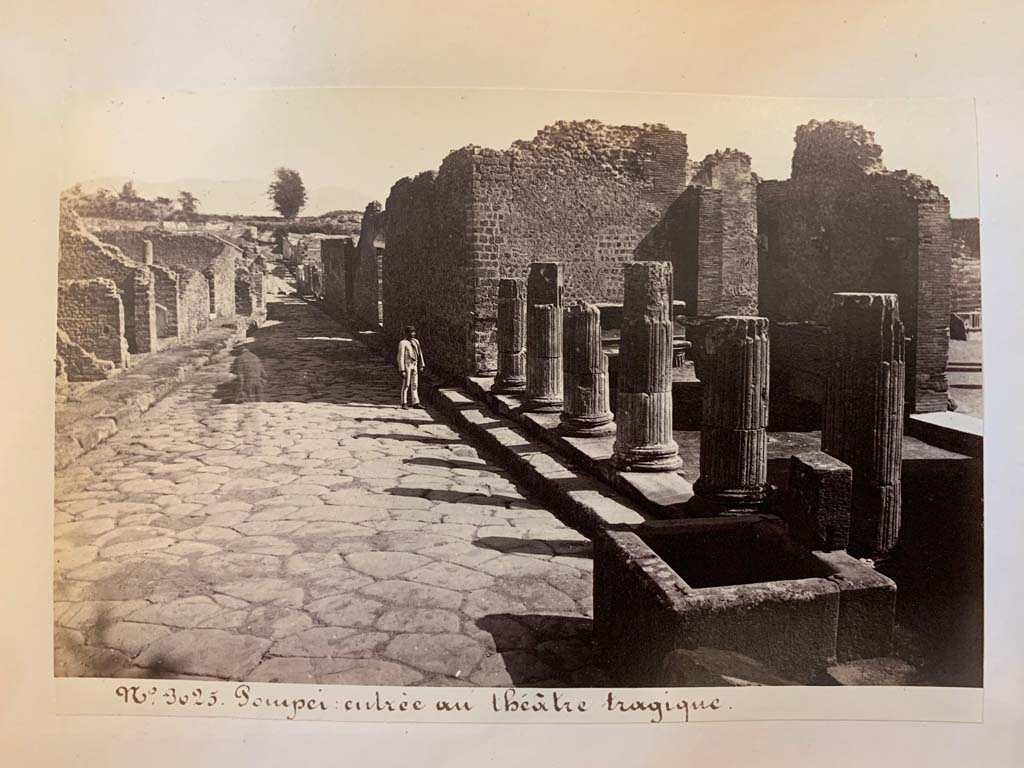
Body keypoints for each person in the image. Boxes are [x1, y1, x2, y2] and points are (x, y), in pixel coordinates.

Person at [396, 325, 426, 409]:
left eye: (414, 332)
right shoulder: (403, 343)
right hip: (407, 366)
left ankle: (415, 402)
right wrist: (402, 370)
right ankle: (404, 402)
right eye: (411, 332)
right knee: (406, 384)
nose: (413, 334)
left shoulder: (416, 341)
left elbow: (420, 354)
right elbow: (400, 357)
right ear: (406, 333)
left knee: (415, 384)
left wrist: (421, 365)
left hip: (415, 365)